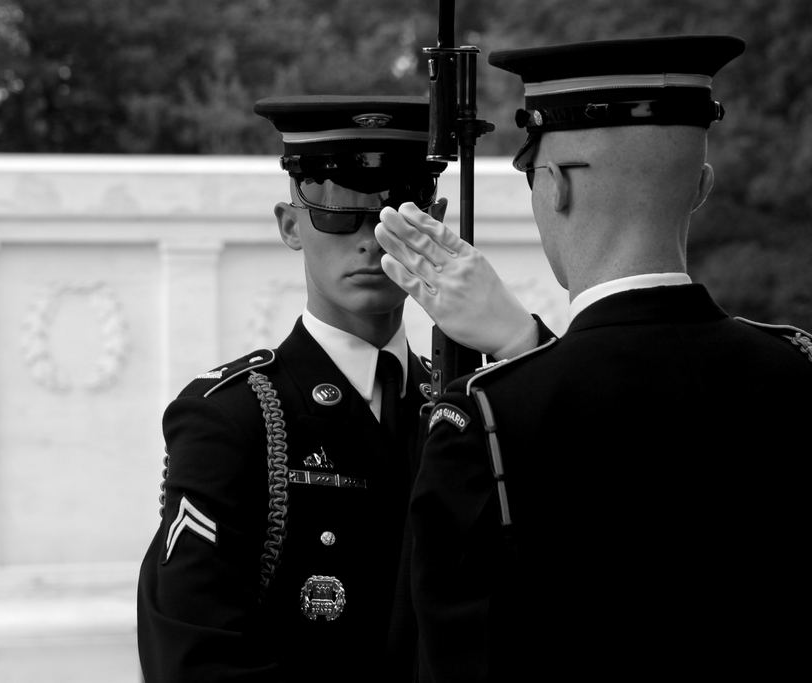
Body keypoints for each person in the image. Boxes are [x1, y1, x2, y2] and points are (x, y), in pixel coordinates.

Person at [375, 35, 812, 682]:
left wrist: (519, 368)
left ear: (552, 187)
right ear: (700, 186)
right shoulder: (796, 373)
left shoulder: (484, 424)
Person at [136, 95, 549, 682]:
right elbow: (192, 656)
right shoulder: (232, 419)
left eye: (393, 212)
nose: (369, 239)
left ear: (432, 220)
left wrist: (521, 342)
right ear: (290, 225)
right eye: (335, 211)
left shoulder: (476, 403)